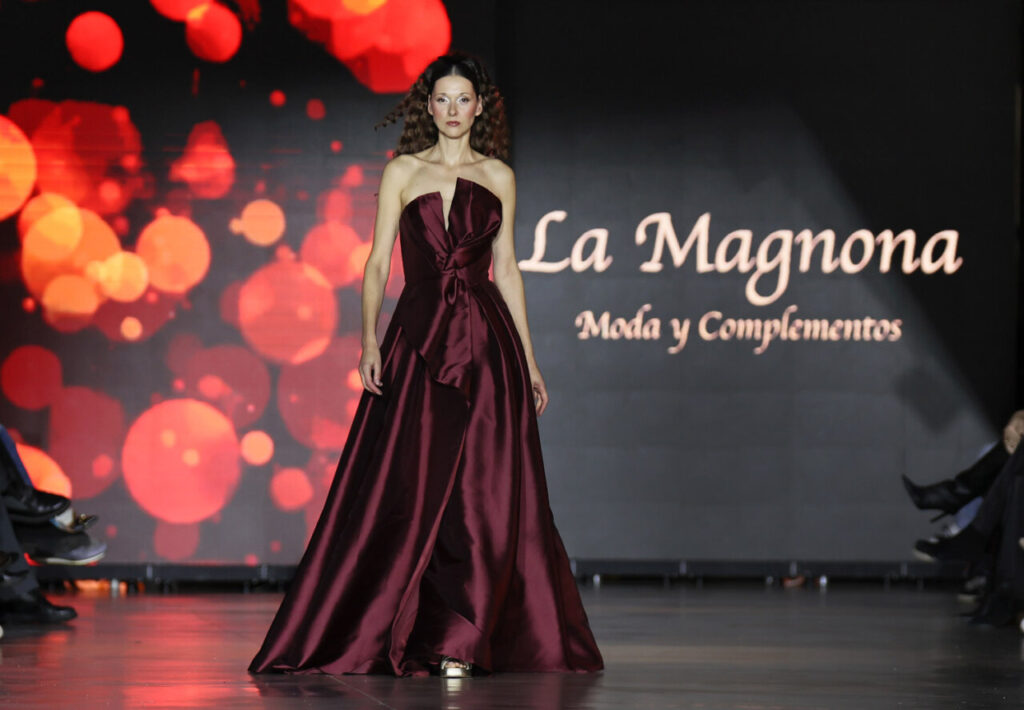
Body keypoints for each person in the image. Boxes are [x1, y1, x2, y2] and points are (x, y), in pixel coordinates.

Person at [250, 52, 603, 678]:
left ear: (479, 106)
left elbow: (509, 269)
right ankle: (408, 629)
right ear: (427, 105)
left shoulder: (499, 175)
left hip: (489, 347)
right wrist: (367, 339)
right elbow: (378, 264)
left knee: (482, 494)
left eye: (463, 99)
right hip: (418, 343)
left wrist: (531, 359)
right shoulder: (401, 173)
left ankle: (458, 639)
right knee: (412, 491)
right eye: (442, 99)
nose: (452, 111)